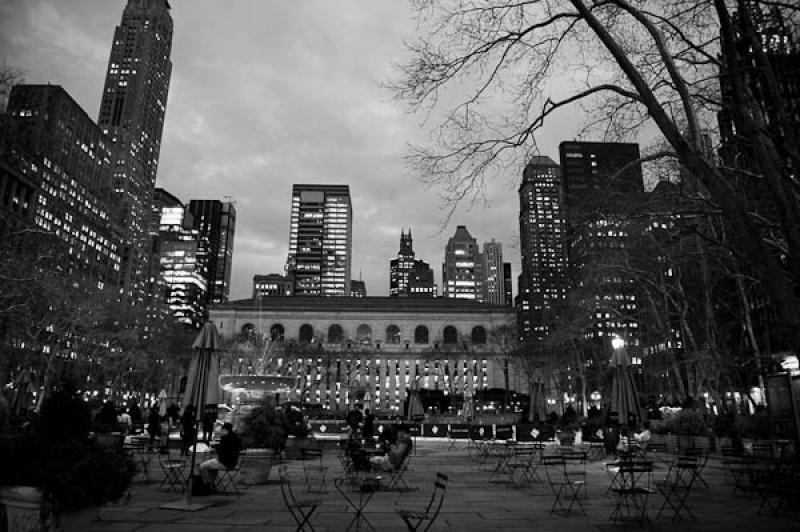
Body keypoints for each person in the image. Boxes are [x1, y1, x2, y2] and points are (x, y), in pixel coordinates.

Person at [199, 422, 241, 490]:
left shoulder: (225, 438)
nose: (220, 431)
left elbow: (219, 450)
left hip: (225, 463)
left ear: (225, 430)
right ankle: (212, 485)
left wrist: (215, 443)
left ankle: (207, 484)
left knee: (202, 467)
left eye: (221, 430)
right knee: (211, 467)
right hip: (234, 462)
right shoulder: (235, 437)